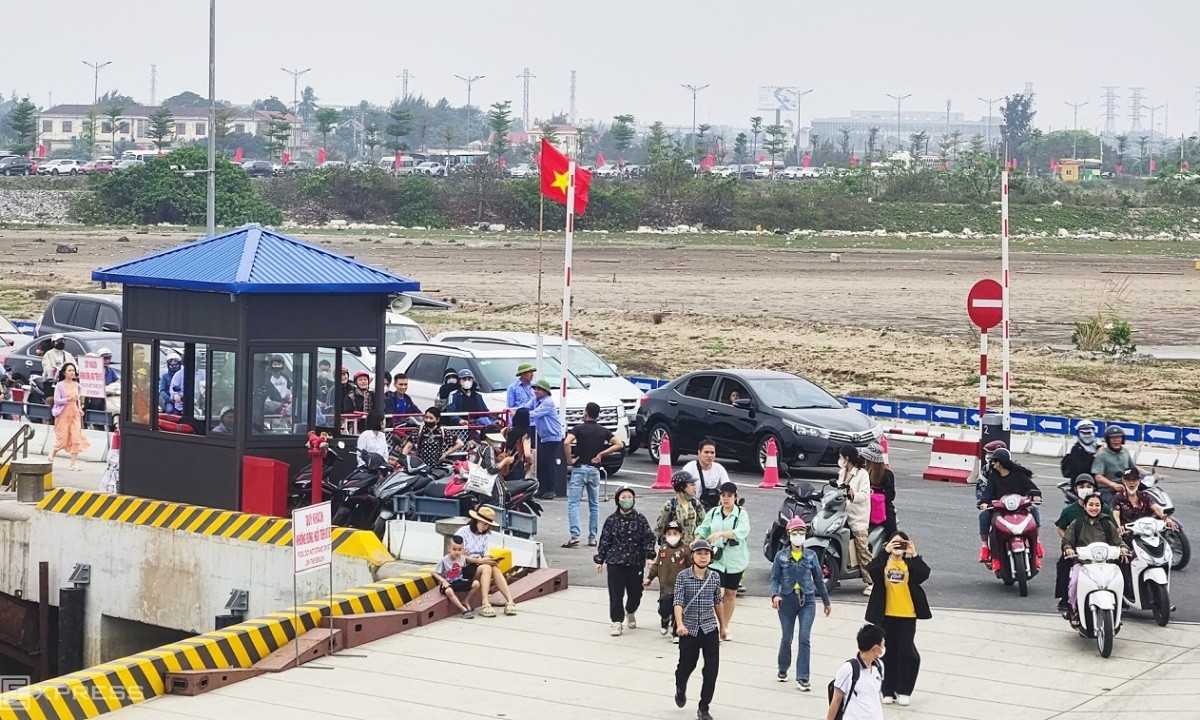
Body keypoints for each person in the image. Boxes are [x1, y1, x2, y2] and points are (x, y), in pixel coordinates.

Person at [864, 531, 930, 706]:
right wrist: (885, 552)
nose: (898, 547)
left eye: (902, 543)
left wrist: (914, 554)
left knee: (906, 653)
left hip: (907, 616)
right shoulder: (884, 563)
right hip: (886, 616)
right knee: (887, 653)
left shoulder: (909, 564)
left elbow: (923, 575)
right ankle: (887, 690)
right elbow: (872, 571)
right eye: (895, 543)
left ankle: (904, 690)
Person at [770, 517, 832, 692]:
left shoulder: (811, 556)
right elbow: (774, 578)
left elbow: (819, 580)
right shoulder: (781, 556)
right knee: (786, 637)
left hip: (807, 600)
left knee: (804, 638)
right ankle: (783, 668)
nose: (798, 536)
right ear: (789, 535)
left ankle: (803, 677)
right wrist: (775, 595)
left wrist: (826, 602)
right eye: (795, 532)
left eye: (801, 532)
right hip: (787, 600)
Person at [594, 486, 656, 636]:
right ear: (618, 500)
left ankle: (631, 610)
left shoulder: (640, 519)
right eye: (624, 497)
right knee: (616, 594)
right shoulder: (611, 520)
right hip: (615, 562)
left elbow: (648, 538)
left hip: (635, 562)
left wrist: (649, 556)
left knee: (636, 593)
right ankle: (616, 621)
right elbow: (605, 541)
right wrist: (600, 560)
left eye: (630, 497)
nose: (627, 500)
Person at [673, 539, 723, 720]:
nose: (703, 557)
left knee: (711, 669)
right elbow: (678, 601)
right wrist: (680, 624)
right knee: (687, 665)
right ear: (692, 556)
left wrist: (723, 626)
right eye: (699, 553)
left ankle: (704, 707)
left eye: (706, 554)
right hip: (689, 629)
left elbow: (718, 601)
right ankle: (680, 687)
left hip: (709, 628)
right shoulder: (683, 576)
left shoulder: (715, 577)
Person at [563, 402, 624, 548]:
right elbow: (619, 444)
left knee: (573, 503)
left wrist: (569, 459)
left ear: (586, 413)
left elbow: (566, 442)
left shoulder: (578, 429)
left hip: (579, 469)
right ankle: (592, 537)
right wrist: (602, 454)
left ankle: (575, 535)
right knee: (594, 505)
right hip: (595, 470)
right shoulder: (603, 430)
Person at [1062, 494, 1128, 628]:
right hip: (1083, 563)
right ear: (1085, 507)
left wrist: (1123, 548)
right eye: (1091, 504)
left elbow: (1118, 540)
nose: (1094, 508)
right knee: (1074, 582)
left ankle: (1116, 613)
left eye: (1097, 505)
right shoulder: (1078, 523)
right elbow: (1067, 541)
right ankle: (1074, 609)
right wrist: (1069, 549)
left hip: (1105, 564)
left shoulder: (1107, 523)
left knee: (1117, 581)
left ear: (1101, 507)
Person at [695, 482, 750, 641]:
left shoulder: (741, 515)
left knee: (731, 593)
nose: (726, 499)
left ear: (735, 497)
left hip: (735, 560)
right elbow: (704, 528)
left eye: (730, 496)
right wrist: (697, 539)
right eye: (723, 495)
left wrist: (720, 534)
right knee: (717, 592)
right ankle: (713, 625)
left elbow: (741, 532)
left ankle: (724, 626)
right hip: (716, 560)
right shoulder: (713, 513)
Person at [1053, 474, 1113, 615]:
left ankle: (1123, 596)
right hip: (1077, 549)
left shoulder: (1104, 509)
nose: (1085, 489)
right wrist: (1069, 543)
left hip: (1100, 550)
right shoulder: (1069, 511)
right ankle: (1065, 599)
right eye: (1081, 487)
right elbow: (1060, 528)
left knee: (1122, 562)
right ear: (1075, 489)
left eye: (1088, 486)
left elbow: (1114, 529)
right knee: (1063, 564)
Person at [976, 447, 1043, 566]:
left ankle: (1036, 542)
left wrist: (1035, 495)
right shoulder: (994, 476)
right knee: (984, 516)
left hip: (1020, 507)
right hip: (1000, 509)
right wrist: (984, 502)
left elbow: (1031, 487)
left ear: (1002, 461)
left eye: (995, 461)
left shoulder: (1018, 474)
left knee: (1035, 511)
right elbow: (988, 492)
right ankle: (985, 546)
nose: (994, 464)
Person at [457, 507, 518, 618]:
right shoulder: (462, 532)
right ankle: (485, 603)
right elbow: (459, 556)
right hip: (464, 568)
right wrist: (480, 561)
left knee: (492, 567)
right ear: (477, 521)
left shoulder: (484, 536)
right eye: (484, 524)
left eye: (487, 525)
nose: (485, 527)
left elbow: (484, 554)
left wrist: (489, 560)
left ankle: (510, 601)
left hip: (477, 565)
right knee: (486, 567)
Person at [825, 624, 886, 720]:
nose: (884, 647)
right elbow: (836, 701)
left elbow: (877, 695)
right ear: (875, 648)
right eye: (882, 645)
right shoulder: (848, 669)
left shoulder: (879, 666)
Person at [645, 520, 692, 641]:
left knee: (679, 609)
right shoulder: (663, 549)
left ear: (680, 534)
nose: (672, 536)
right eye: (669, 533)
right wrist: (650, 577)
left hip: (680, 587)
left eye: (675, 533)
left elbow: (690, 566)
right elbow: (657, 565)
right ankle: (665, 619)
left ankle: (676, 631)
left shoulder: (686, 550)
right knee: (664, 608)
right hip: (665, 586)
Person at [837, 444, 873, 595]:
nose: (839, 460)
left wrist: (853, 495)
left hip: (858, 516)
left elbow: (865, 495)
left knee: (862, 548)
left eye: (841, 457)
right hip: (842, 514)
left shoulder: (862, 474)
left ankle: (873, 581)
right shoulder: (841, 472)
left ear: (847, 458)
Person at [49, 363, 89, 471]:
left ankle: (73, 464)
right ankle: (53, 452)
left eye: (73, 370)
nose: (72, 373)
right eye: (69, 370)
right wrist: (67, 399)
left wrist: (80, 409)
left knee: (76, 437)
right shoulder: (60, 385)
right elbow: (56, 400)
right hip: (63, 414)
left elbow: (78, 400)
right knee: (63, 438)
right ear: (64, 373)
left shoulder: (78, 386)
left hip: (74, 413)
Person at [529, 379, 565, 500]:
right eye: (535, 389)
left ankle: (550, 489)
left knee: (547, 463)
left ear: (545, 391)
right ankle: (542, 488)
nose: (536, 391)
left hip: (552, 436)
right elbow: (526, 407)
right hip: (543, 437)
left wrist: (520, 414)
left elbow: (535, 413)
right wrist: (516, 410)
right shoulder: (535, 400)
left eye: (539, 389)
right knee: (541, 463)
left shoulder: (548, 402)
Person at [1113, 467, 1177, 533]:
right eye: (1128, 480)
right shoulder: (1118, 497)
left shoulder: (1144, 496)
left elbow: (1156, 509)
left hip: (1148, 531)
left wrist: (1166, 518)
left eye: (1134, 480)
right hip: (1129, 533)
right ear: (1124, 481)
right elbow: (1116, 514)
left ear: (1139, 481)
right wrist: (1119, 526)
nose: (1131, 482)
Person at [431, 535, 479, 619]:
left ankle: (466, 600)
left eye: (459, 550)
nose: (457, 552)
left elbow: (464, 567)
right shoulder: (444, 560)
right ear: (449, 548)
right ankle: (463, 609)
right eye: (454, 549)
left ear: (463, 550)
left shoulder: (462, 558)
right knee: (449, 591)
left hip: (459, 580)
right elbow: (435, 573)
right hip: (448, 583)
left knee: (476, 584)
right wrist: (443, 581)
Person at [1092, 426, 1141, 504]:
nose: (1116, 440)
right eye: (1113, 438)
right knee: (1114, 506)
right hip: (1108, 490)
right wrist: (1113, 484)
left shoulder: (1125, 452)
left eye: (1118, 437)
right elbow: (1098, 477)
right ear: (1108, 440)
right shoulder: (1101, 455)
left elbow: (1133, 466)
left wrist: (1148, 474)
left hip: (1125, 486)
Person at [654, 471, 707, 542]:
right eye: (692, 485)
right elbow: (659, 527)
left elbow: (704, 524)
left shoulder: (695, 503)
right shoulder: (670, 505)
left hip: (691, 547)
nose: (695, 487)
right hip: (673, 549)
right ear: (682, 487)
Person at [681, 439, 732, 510]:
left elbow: (728, 487)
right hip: (693, 508)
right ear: (699, 453)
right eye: (706, 452)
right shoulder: (689, 468)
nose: (709, 455)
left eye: (712, 453)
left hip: (715, 509)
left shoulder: (719, 468)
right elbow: (681, 492)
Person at [860, 442, 897, 538]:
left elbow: (890, 496)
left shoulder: (885, 474)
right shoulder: (887, 474)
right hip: (868, 506)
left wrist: (875, 496)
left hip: (881, 508)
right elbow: (891, 495)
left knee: (894, 537)